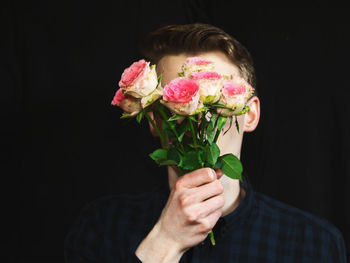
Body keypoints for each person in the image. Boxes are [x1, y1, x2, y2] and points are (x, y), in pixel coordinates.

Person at [64, 23, 347, 262]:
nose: (199, 118)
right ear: (154, 119)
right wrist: (165, 242)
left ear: (249, 114)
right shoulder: (103, 226)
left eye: (214, 99)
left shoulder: (313, 244)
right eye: (177, 100)